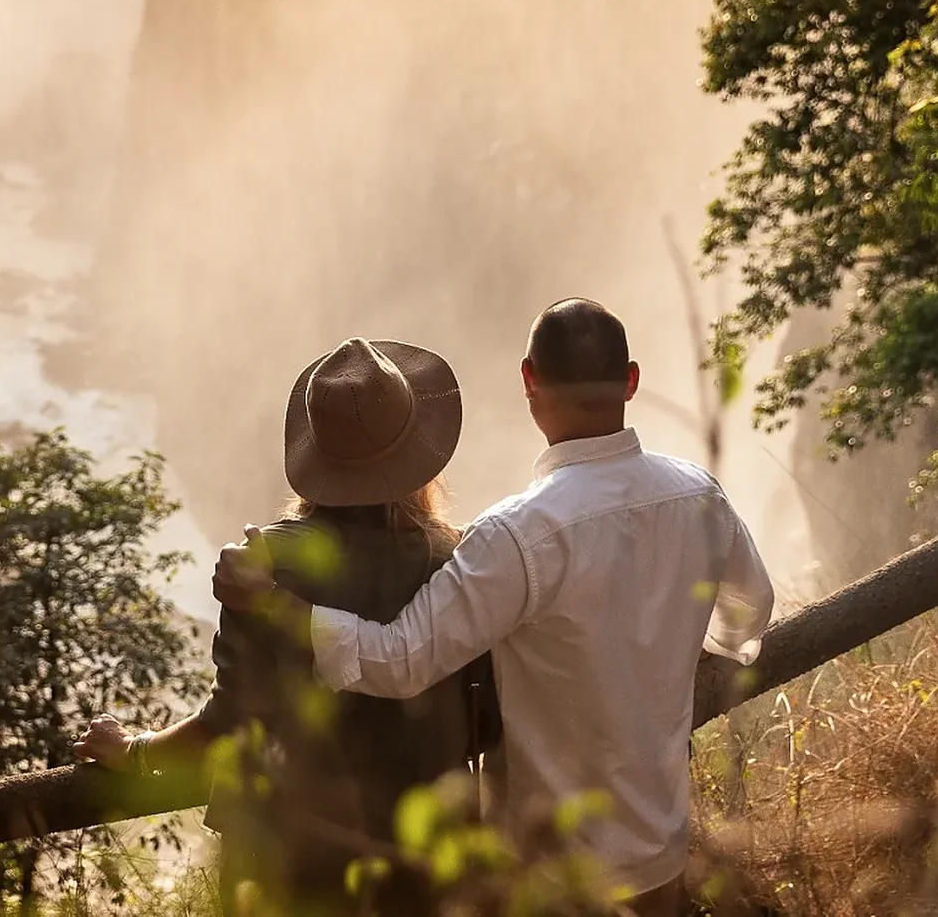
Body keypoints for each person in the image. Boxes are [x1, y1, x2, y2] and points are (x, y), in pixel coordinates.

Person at [215, 299, 773, 916]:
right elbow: (747, 617)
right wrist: (654, 662)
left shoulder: (517, 537)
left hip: (553, 873)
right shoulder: (698, 494)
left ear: (529, 383)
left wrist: (270, 603)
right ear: (632, 381)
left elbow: (399, 660)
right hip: (663, 851)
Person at [75, 337, 496, 917]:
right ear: (418, 455)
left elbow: (228, 725)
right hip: (428, 863)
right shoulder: (460, 561)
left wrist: (137, 749)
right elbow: (487, 721)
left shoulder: (265, 565)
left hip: (292, 863)